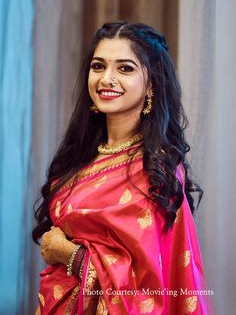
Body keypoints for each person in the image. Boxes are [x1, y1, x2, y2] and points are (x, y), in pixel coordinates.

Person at [33, 21, 210, 314]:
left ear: (151, 83)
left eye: (125, 68)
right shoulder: (79, 159)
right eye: (98, 66)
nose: (107, 78)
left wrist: (71, 256)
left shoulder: (158, 170)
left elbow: (151, 289)